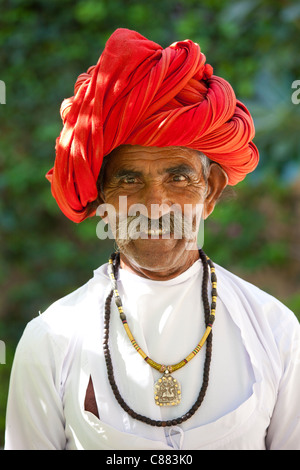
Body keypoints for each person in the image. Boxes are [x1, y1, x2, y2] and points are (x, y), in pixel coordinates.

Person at [5, 28, 300, 450]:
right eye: (129, 179)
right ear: (103, 195)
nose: (155, 205)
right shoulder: (52, 338)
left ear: (211, 190)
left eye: (178, 177)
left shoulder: (275, 333)